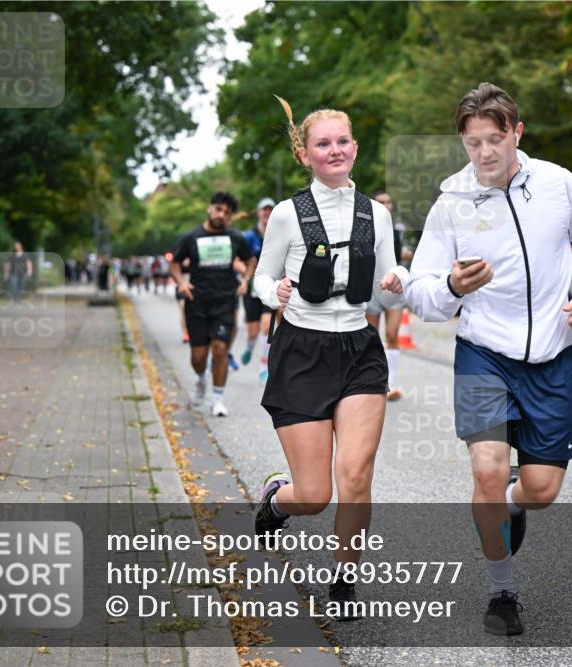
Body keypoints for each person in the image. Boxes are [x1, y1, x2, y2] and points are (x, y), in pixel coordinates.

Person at [403, 83, 572, 636]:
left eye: (495, 139)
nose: (485, 153)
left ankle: (517, 503)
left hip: (550, 356)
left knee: (541, 490)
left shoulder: (558, 184)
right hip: (483, 355)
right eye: (473, 143)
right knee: (487, 471)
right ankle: (502, 592)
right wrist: (450, 285)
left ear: (517, 133)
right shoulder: (451, 204)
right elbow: (421, 294)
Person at [252, 98, 407, 618]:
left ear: (355, 148)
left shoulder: (376, 214)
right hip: (301, 350)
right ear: (306, 154)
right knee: (315, 494)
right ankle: (278, 499)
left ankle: (343, 584)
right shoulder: (286, 215)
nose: (335, 150)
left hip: (359, 349)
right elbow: (259, 276)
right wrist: (270, 292)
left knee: (356, 474)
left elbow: (389, 285)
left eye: (342, 141)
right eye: (323, 143)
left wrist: (395, 284)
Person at [170, 192, 252, 417]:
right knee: (198, 357)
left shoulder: (235, 237)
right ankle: (201, 379)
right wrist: (181, 284)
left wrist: (245, 280)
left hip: (224, 301)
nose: (222, 214)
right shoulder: (192, 237)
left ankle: (218, 399)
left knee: (220, 349)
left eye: (227, 212)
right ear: (210, 209)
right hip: (197, 303)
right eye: (219, 209)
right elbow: (175, 263)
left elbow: (251, 259)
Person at [364, 191, 411, 401]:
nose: (385, 205)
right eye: (381, 202)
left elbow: (404, 253)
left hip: (395, 287)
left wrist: (406, 255)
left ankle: (391, 383)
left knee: (392, 334)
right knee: (371, 337)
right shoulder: (364, 227)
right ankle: (373, 380)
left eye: (388, 202)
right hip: (373, 287)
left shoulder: (398, 230)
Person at [240, 197, 277, 382]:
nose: (267, 213)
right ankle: (249, 346)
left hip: (270, 285)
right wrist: (247, 274)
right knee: (253, 330)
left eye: (271, 210)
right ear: (258, 212)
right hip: (252, 286)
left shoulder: (279, 234)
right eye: (264, 210)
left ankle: (264, 366)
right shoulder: (248, 237)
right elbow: (236, 261)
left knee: (266, 326)